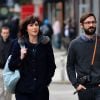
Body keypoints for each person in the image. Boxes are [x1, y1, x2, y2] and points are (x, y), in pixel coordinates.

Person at [8, 15, 56, 100]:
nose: (34, 27)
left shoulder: (45, 43)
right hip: (23, 91)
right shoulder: (18, 43)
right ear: (26, 29)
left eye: (36, 25)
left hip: (41, 92)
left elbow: (51, 65)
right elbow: (11, 66)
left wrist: (45, 81)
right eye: (31, 25)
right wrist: (21, 57)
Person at [66, 12, 100, 100]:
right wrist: (76, 84)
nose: (91, 25)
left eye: (93, 22)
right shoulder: (74, 44)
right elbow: (70, 66)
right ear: (81, 25)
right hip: (84, 89)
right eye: (88, 23)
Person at [0, 25, 13, 100]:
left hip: (9, 70)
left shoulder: (12, 43)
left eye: (7, 33)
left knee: (8, 90)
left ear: (9, 33)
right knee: (0, 90)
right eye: (4, 33)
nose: (5, 34)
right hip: (0, 70)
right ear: (1, 33)